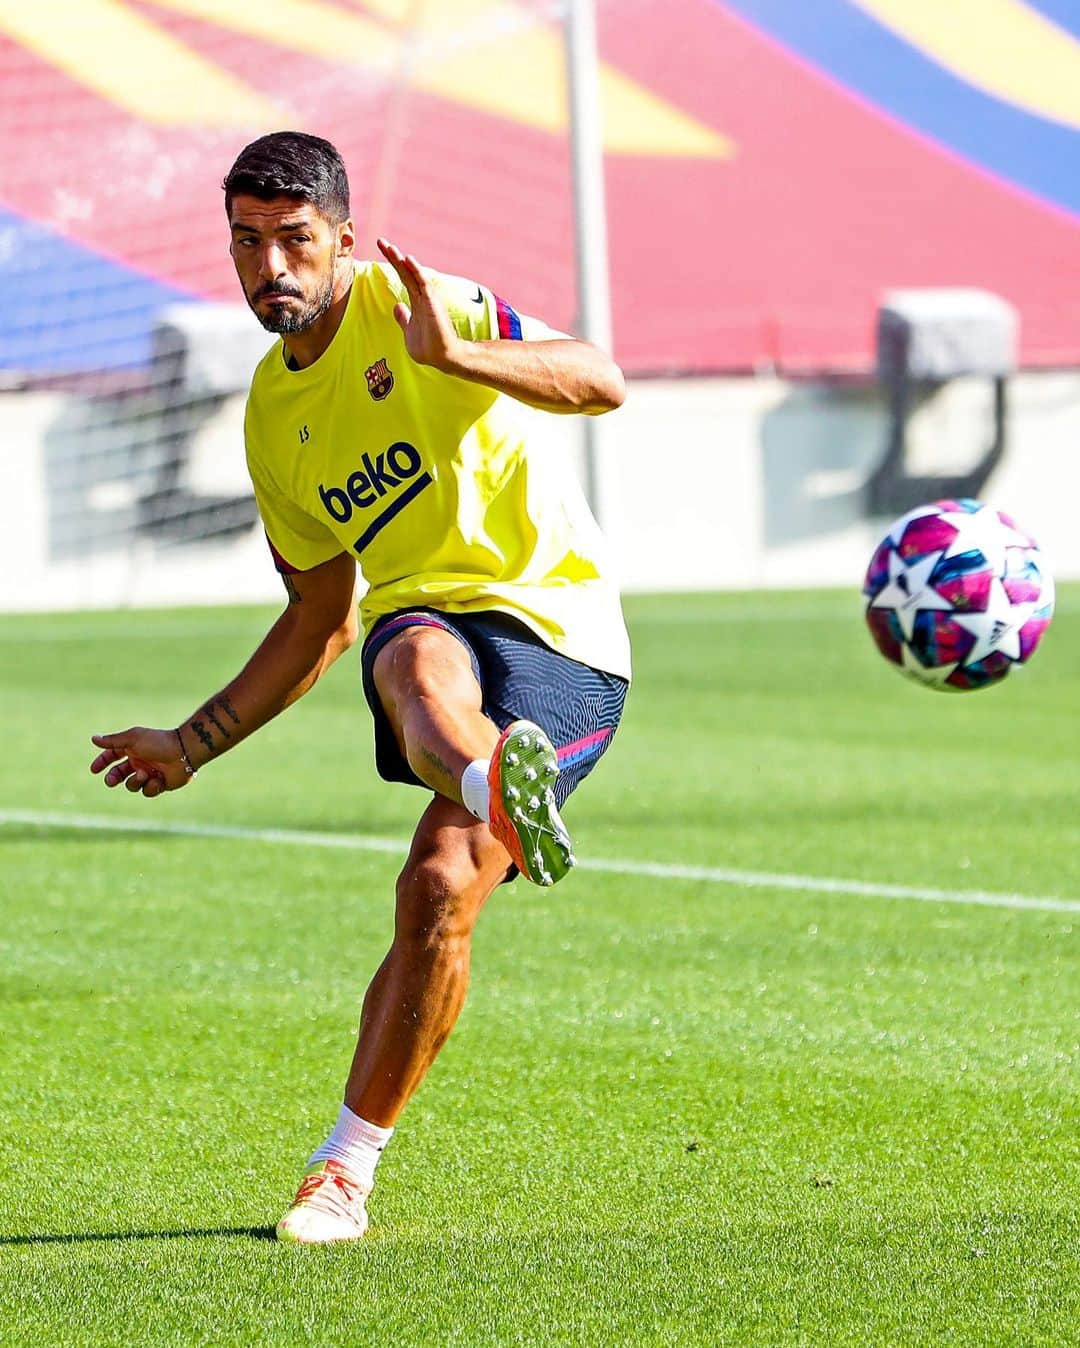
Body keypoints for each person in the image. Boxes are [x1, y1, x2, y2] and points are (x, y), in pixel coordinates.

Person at [89, 131, 631, 1244]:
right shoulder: (270, 419)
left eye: (294, 240)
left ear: (341, 234)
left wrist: (462, 357)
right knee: (407, 653)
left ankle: (347, 1162)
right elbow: (318, 616)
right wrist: (192, 744)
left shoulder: (421, 303)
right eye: (247, 243)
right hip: (429, 631)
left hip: (564, 637)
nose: (269, 268)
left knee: (440, 884)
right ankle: (491, 783)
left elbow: (600, 379)